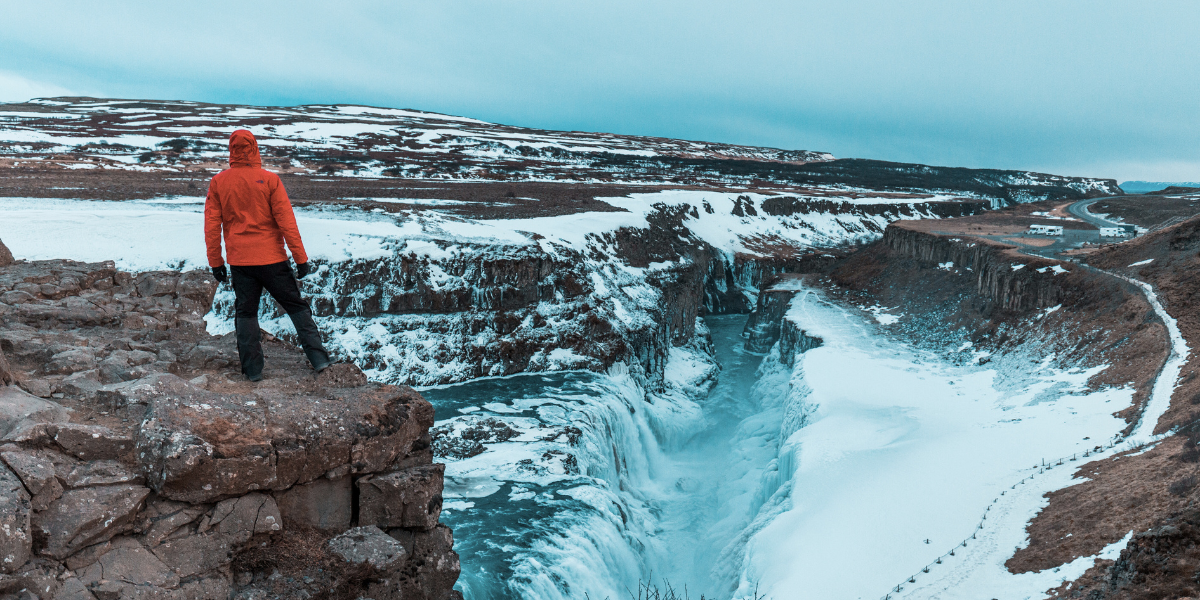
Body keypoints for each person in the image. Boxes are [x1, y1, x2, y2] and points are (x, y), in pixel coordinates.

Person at [204, 129, 332, 381]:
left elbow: (211, 227)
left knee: (246, 313)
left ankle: (253, 371)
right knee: (296, 306)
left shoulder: (219, 182)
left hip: (241, 262)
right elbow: (287, 222)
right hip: (273, 259)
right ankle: (319, 360)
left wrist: (216, 263)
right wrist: (300, 258)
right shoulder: (270, 180)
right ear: (254, 148)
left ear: (232, 150)